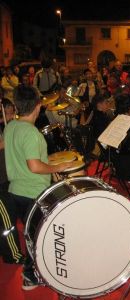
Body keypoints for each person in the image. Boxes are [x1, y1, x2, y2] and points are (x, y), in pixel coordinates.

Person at [4, 85, 72, 290]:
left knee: (32, 233)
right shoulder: (32, 134)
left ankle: (39, 267)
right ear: (38, 105)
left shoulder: (10, 126)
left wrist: (50, 169)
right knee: (38, 236)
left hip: (15, 190)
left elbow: (23, 158)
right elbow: (34, 166)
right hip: (33, 192)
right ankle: (30, 275)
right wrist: (57, 166)